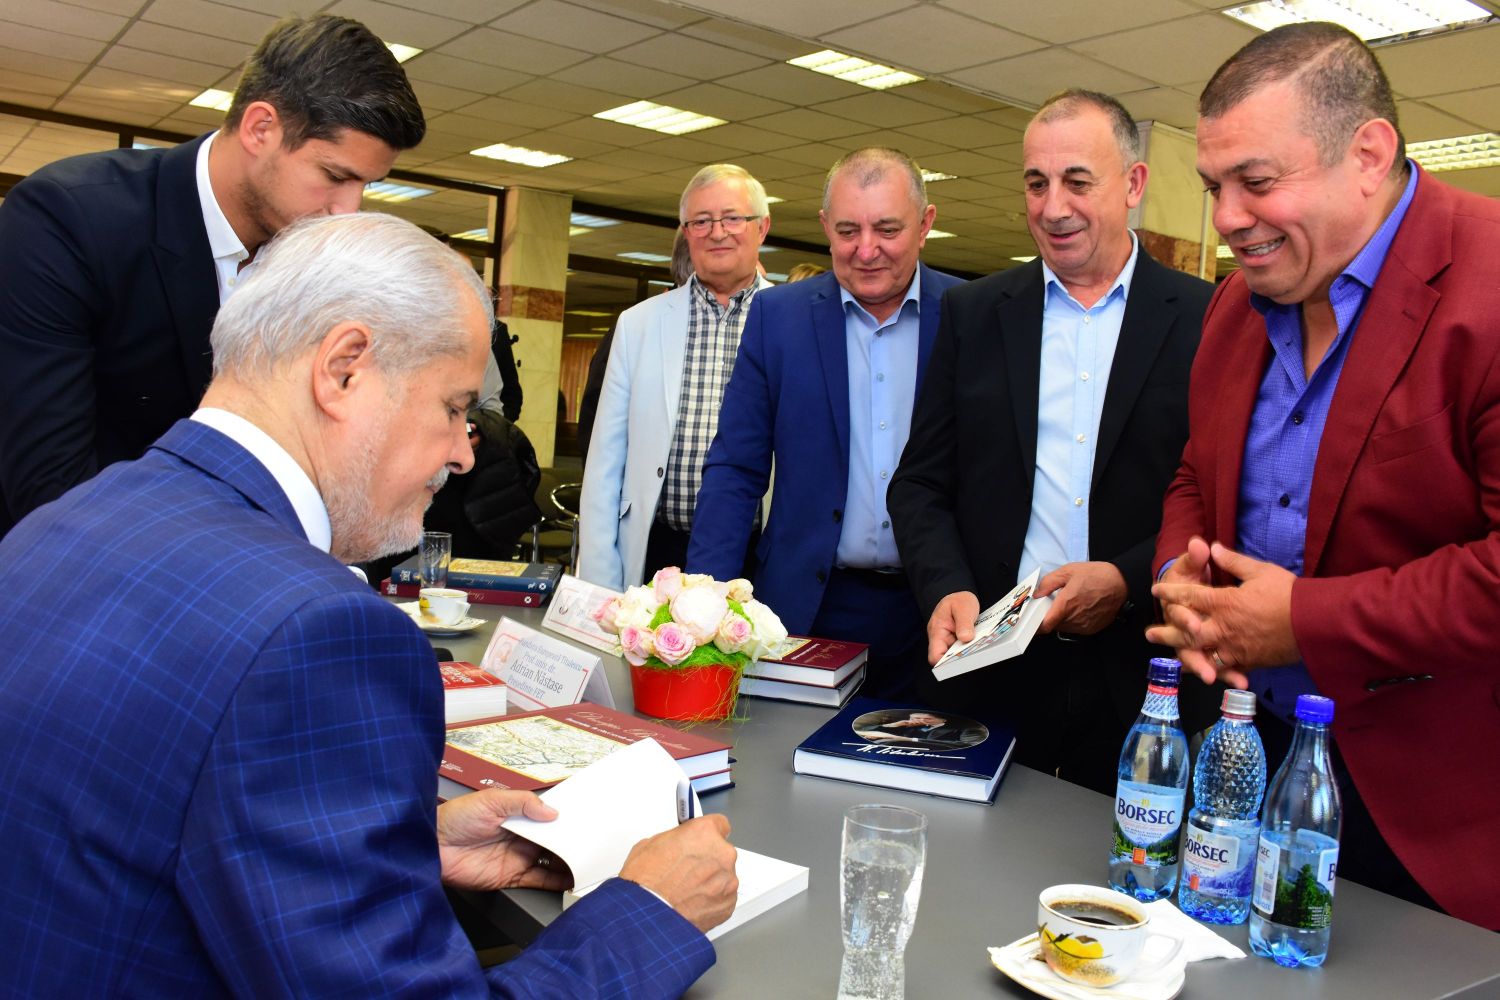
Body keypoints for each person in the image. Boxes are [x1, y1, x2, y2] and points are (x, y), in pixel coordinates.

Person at [0, 213, 740, 994]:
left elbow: (140, 820)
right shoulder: (315, 631)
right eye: (453, 408)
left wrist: (400, 845)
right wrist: (651, 910)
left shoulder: (68, 521)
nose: (463, 453)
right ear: (344, 369)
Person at [1149, 22, 1500, 931]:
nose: (1228, 218)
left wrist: (1303, 620)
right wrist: (1180, 575)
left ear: (1368, 155)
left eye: (1257, 182)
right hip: (1245, 751)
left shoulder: (1490, 285)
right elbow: (1197, 468)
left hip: (1433, 806)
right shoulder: (1236, 304)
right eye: (1214, 187)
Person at [887, 93, 1214, 792]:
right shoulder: (976, 313)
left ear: (1133, 184)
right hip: (990, 666)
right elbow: (919, 483)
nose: (1053, 207)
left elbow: (1221, 497)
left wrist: (1126, 579)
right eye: (1036, 184)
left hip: (1142, 671)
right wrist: (945, 586)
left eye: (1077, 182)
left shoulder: (1207, 318)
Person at [0, 13, 424, 535]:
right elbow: (50, 486)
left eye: (366, 185)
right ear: (260, 128)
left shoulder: (320, 263)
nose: (348, 209)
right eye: (334, 175)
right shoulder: (70, 219)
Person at [687, 148, 964, 698]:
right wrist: (703, 600)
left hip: (938, 612)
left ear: (925, 223)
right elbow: (736, 468)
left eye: (887, 229)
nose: (866, 249)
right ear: (824, 227)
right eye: (847, 231)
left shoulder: (970, 312)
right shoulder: (778, 317)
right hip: (806, 605)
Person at [577, 164, 773, 590]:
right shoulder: (638, 324)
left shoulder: (794, 321)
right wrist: (597, 580)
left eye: (733, 218)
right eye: (701, 221)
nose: (717, 233)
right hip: (659, 552)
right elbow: (606, 461)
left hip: (759, 557)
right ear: (686, 232)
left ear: (762, 227)